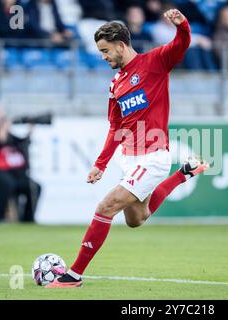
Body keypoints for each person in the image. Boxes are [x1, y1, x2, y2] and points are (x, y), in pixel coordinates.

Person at [46, 8, 209, 288]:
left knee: (106, 206)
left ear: (121, 45)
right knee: (137, 218)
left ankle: (73, 275)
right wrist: (101, 163)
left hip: (154, 157)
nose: (103, 56)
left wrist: (183, 26)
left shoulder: (156, 62)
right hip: (129, 158)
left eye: (106, 50)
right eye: (100, 52)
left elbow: (181, 44)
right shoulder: (116, 84)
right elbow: (115, 127)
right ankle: (183, 174)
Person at [0, 106, 42, 223]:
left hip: (12, 174)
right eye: (0, 117)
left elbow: (22, 144)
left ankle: (27, 219)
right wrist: (2, 131)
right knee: (6, 183)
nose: (2, 120)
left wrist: (30, 131)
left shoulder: (8, 134)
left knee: (34, 186)